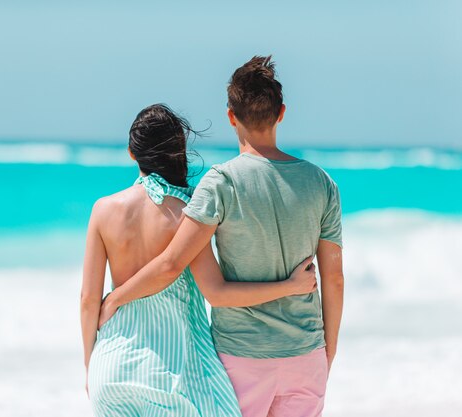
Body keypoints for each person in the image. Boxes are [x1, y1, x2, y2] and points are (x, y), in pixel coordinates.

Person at [99, 57, 345, 417]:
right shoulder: (321, 182)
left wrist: (115, 299)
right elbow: (334, 278)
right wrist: (328, 350)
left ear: (231, 116)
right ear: (282, 113)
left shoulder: (221, 183)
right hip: (306, 355)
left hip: (241, 359)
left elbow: (171, 265)